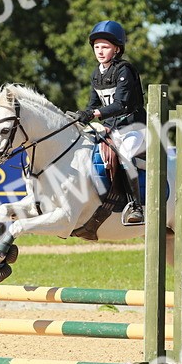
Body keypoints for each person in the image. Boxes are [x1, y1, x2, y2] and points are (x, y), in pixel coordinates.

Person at [74, 20, 145, 225]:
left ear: (117, 49)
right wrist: (81, 116)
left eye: (105, 47)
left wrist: (94, 113)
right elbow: (93, 104)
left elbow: (121, 104)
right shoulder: (96, 73)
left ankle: (135, 207)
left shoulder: (124, 70)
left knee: (125, 155)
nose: (100, 51)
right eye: (97, 47)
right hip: (113, 128)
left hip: (133, 127)